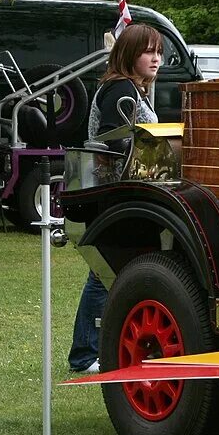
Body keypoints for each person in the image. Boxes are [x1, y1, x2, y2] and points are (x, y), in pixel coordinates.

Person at [69, 23, 163, 374]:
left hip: (120, 193)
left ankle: (92, 350)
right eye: (147, 51)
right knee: (105, 271)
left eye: (159, 52)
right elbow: (116, 141)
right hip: (117, 193)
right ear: (129, 54)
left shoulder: (125, 88)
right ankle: (85, 354)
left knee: (110, 271)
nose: (156, 59)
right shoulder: (121, 88)